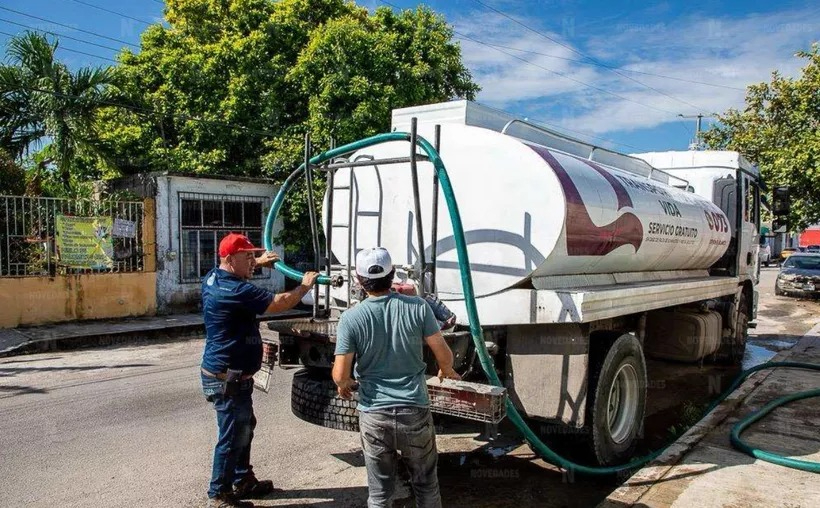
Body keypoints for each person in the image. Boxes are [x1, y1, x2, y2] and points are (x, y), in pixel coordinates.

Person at [332, 247, 461, 508]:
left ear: (358, 280)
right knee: (426, 485)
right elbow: (444, 355)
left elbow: (339, 373)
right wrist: (446, 369)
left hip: (374, 413)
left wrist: (343, 385)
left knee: (380, 493)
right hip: (413, 409)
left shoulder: (351, 318)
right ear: (393, 276)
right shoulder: (419, 308)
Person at [200, 233, 319, 508]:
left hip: (229, 375)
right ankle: (218, 495)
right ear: (230, 260)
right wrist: (303, 287)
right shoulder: (237, 291)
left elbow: (240, 272)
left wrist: (259, 263)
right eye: (247, 257)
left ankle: (243, 481)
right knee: (231, 435)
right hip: (226, 379)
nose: (253, 261)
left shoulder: (213, 277)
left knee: (244, 427)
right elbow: (278, 303)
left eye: (254, 256)